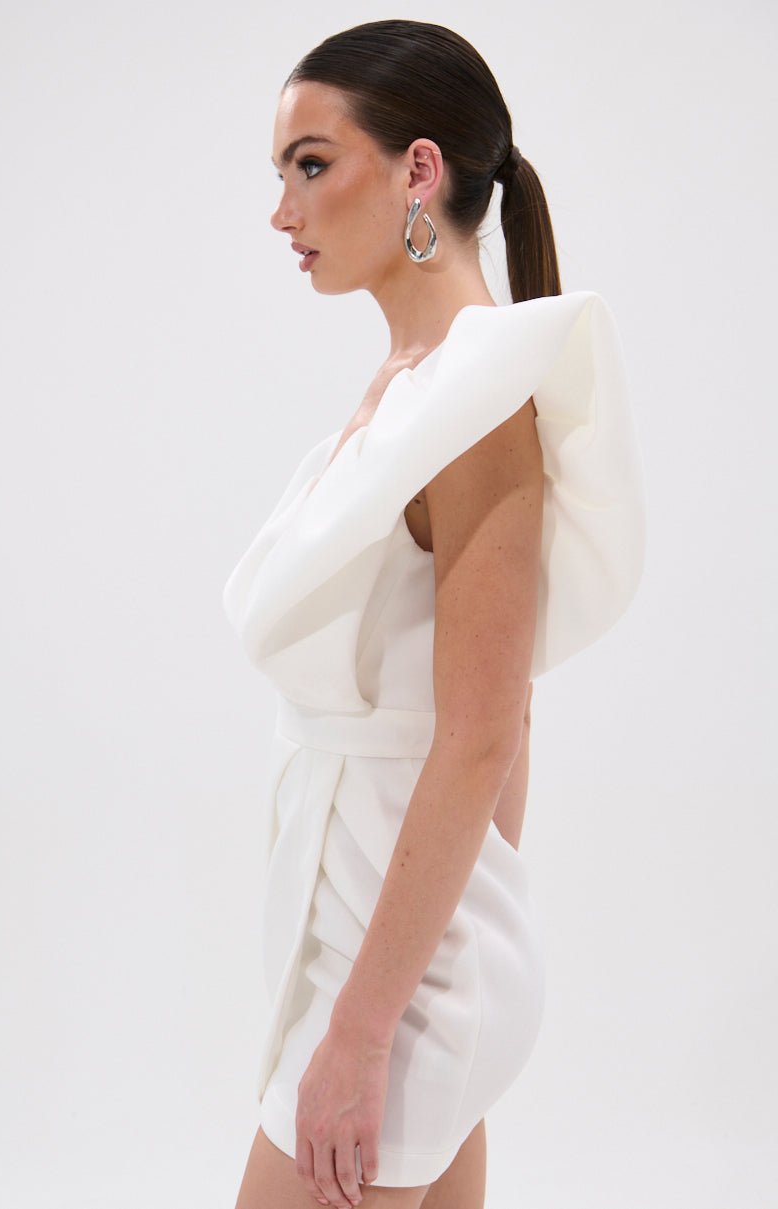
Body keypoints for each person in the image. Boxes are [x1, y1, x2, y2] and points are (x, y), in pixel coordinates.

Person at [224, 19, 644, 1209]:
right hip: (385, 955)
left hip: (400, 982)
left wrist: (366, 1031)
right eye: (280, 172)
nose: (282, 209)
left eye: (312, 163)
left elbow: (482, 732)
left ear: (417, 171)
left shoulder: (479, 403)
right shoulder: (408, 393)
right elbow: (492, 723)